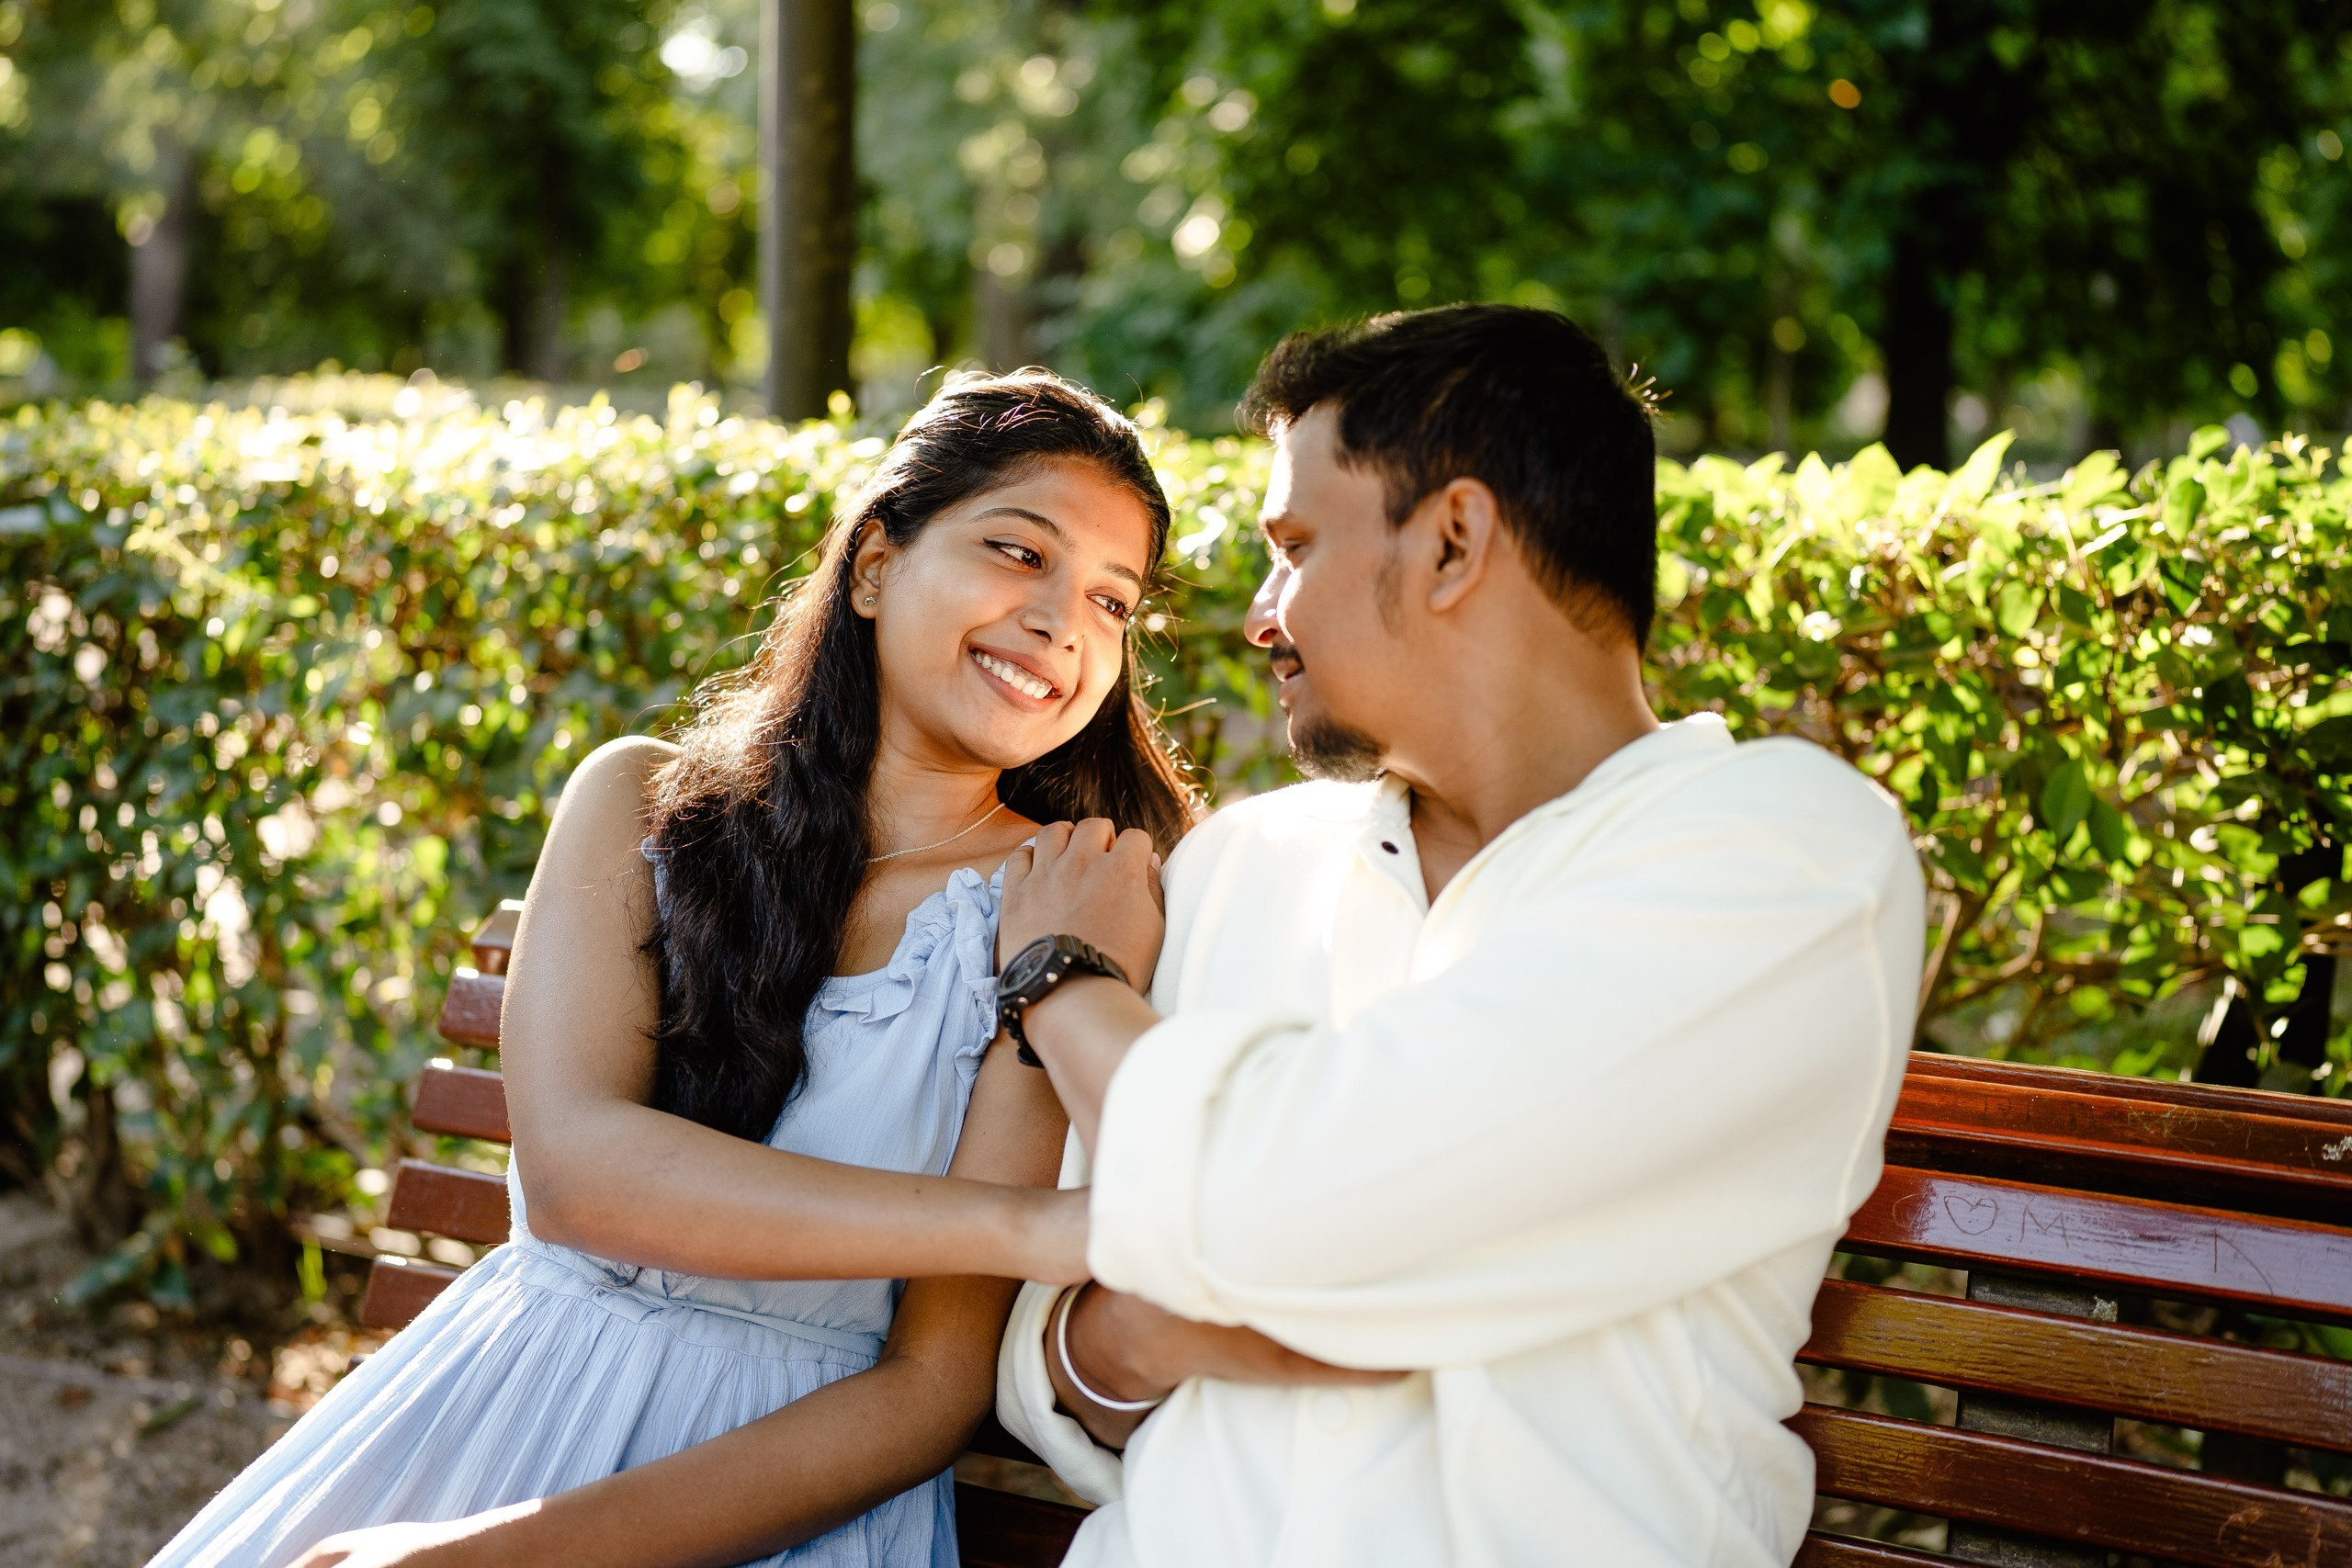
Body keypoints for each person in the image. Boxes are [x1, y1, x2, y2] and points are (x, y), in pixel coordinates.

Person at [147, 370, 1195, 1568]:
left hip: (800, 1491)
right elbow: (586, 1180)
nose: (1067, 621)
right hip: (505, 1409)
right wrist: (1035, 1228)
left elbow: (927, 1391)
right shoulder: (640, 803)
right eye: (1020, 552)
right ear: (872, 565)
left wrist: (484, 1560)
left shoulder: (1055, 906)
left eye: (1115, 603)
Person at [989, 304, 1928, 1567]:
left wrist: (1064, 977)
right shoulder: (1241, 865)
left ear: (1452, 542)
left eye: (1296, 547)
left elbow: (1286, 1199)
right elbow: (1050, 1346)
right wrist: (1152, 1330)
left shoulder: (1784, 855)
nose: (1263, 618)